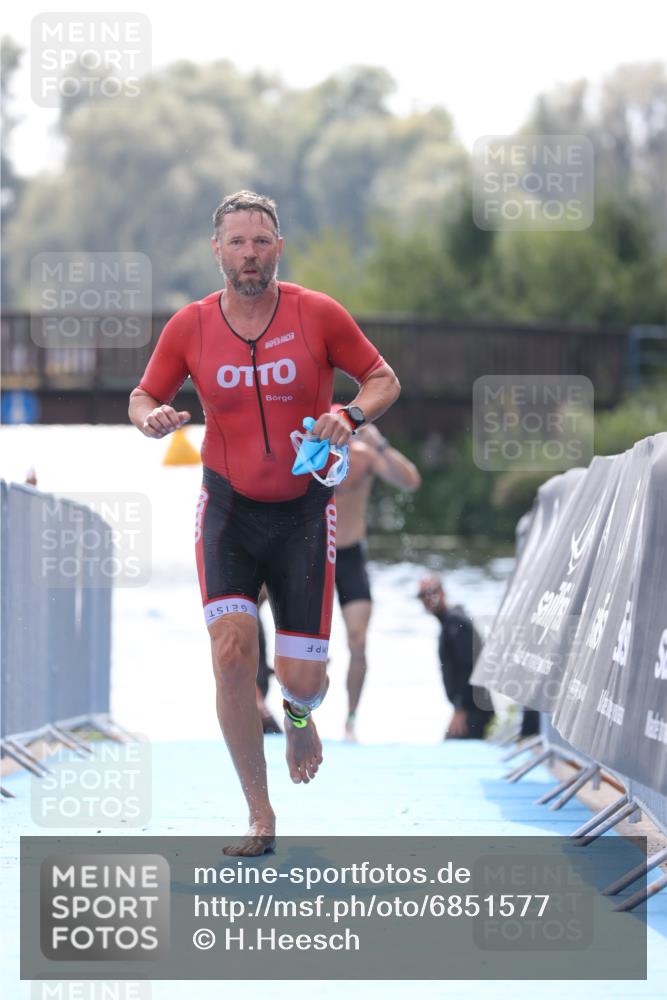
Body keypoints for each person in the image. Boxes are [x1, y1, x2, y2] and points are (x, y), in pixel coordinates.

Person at [128, 191, 400, 856]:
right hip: (227, 509)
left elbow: (382, 378)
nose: (249, 253)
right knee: (230, 654)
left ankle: (300, 712)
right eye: (237, 242)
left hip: (305, 514)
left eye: (261, 241)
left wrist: (352, 416)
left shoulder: (317, 314)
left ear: (277, 248)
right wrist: (150, 418)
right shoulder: (189, 327)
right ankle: (259, 812)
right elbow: (143, 395)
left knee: (301, 676)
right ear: (216, 251)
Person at [331, 409, 421, 739]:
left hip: (351, 554)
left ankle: (351, 719)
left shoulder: (365, 457)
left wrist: (380, 443)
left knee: (358, 640)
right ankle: (278, 703)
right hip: (313, 556)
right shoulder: (309, 455)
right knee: (255, 610)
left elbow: (411, 481)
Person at [417, 574, 494, 739]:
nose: (428, 598)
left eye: (432, 591)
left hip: (474, 708)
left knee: (451, 749)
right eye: (422, 595)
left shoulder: (455, 622)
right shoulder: (450, 621)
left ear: (443, 592)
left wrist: (461, 709)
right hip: (471, 707)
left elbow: (470, 667)